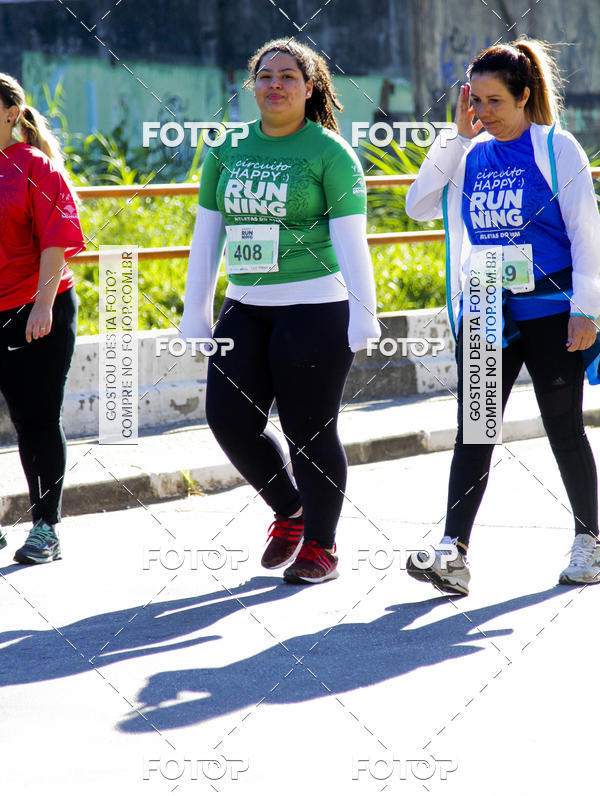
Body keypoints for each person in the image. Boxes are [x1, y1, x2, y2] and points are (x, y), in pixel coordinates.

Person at [180, 38, 380, 583]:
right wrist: (194, 309)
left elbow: (351, 241)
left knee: (309, 431)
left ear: (309, 87)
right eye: (265, 76)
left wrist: (365, 311)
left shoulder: (329, 153)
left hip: (314, 306)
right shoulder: (227, 148)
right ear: (253, 85)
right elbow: (207, 238)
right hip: (245, 306)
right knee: (228, 419)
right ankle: (291, 512)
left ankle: (322, 545)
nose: (275, 85)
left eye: (288, 76)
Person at [405, 39, 600, 595]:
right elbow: (419, 205)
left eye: (494, 101)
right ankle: (452, 552)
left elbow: (587, 235)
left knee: (563, 425)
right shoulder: (467, 150)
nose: (482, 112)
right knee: (476, 428)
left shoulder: (556, 148)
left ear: (523, 96)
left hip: (551, 310)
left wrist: (586, 311)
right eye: (474, 100)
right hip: (488, 311)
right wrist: (454, 140)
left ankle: (590, 540)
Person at [0, 73, 85, 564]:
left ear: (11, 113)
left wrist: (43, 304)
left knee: (35, 421)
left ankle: (45, 527)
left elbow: (56, 239)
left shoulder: (35, 167)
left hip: (35, 309)